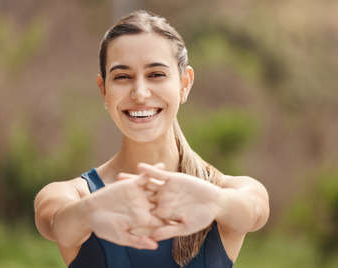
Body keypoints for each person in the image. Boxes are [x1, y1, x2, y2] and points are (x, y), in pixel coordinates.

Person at [34, 10, 269, 268]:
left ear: (184, 83)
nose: (140, 93)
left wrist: (214, 202)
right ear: (104, 90)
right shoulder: (73, 194)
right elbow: (57, 223)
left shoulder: (226, 192)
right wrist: (91, 212)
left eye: (156, 74)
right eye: (122, 77)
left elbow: (254, 209)